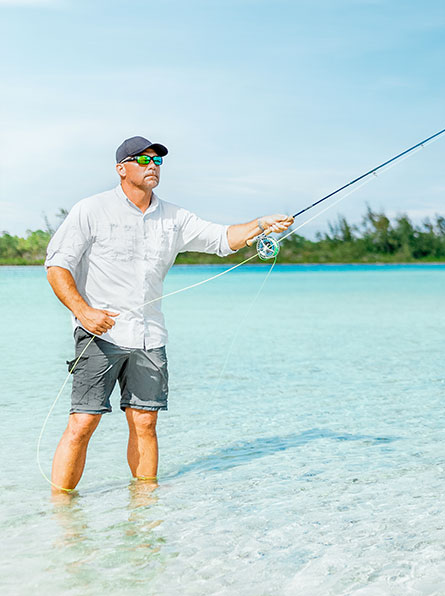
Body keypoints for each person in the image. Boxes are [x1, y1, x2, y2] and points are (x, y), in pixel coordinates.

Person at [44, 136, 293, 494]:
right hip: (99, 333)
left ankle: (145, 509)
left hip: (150, 336)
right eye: (143, 160)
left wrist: (261, 224)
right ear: (121, 169)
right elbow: (57, 266)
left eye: (157, 162)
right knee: (82, 423)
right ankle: (61, 513)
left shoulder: (175, 217)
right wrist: (83, 311)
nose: (152, 167)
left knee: (145, 423)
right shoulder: (91, 209)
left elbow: (222, 239)